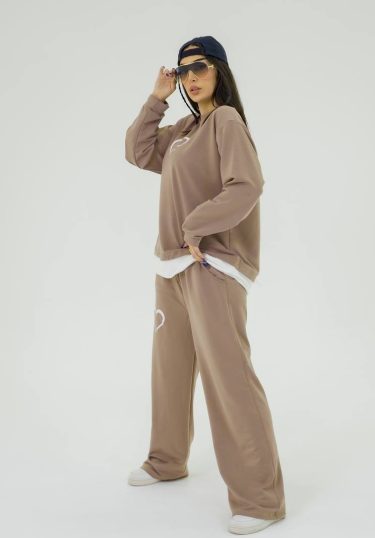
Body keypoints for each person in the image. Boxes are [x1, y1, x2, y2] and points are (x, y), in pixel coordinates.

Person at [124, 36, 286, 535]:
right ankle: (166, 460)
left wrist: (194, 226)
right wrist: (157, 98)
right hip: (172, 267)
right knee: (169, 372)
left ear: (219, 71)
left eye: (200, 67)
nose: (191, 78)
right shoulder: (184, 129)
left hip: (213, 265)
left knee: (228, 379)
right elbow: (137, 152)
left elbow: (247, 185)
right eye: (184, 71)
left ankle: (260, 500)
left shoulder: (226, 121)